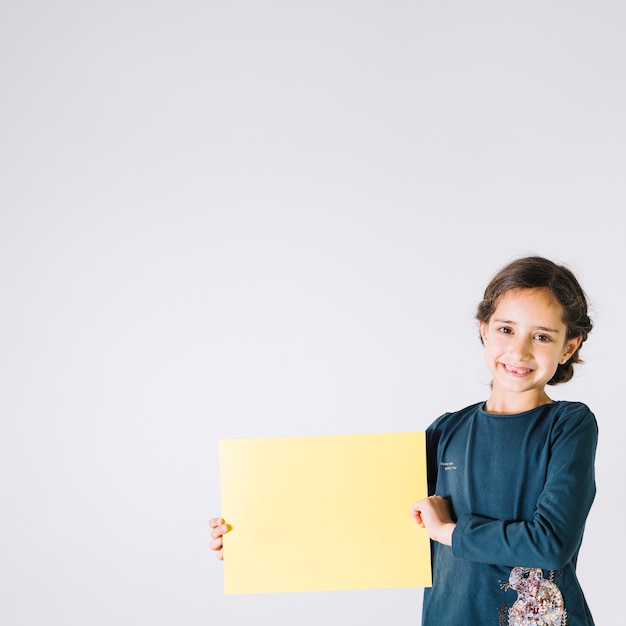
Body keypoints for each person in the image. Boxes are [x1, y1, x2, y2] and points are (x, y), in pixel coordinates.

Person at [209, 255, 598, 625]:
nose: (520, 349)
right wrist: (254, 538)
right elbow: (367, 516)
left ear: (569, 346)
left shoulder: (568, 425)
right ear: (483, 328)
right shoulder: (446, 431)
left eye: (543, 336)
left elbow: (550, 545)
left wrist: (448, 532)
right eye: (506, 329)